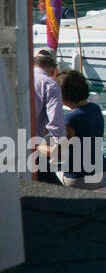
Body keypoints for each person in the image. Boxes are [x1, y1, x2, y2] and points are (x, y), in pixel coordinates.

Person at [55, 70, 105, 190]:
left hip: (79, 179)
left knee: (43, 171)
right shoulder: (95, 109)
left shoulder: (71, 119)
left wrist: (37, 146)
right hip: (101, 174)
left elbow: (57, 154)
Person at [30, 48, 66, 184]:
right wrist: (61, 146)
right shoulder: (50, 85)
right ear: (54, 68)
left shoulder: (19, 77)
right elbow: (55, 122)